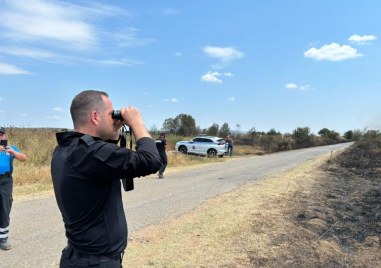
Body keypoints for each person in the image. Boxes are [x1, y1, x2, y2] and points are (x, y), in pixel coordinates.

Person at [51, 90, 162, 267]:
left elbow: (103, 160)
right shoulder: (90, 153)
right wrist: (136, 123)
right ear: (95, 117)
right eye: (111, 114)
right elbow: (151, 161)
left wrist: (114, 131)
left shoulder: (67, 148)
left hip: (77, 257)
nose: (114, 118)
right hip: (96, 263)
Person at [0, 127, 27, 251]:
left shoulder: (10, 148)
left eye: (1, 135)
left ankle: (3, 238)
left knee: (5, 207)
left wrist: (13, 152)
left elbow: (23, 158)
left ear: (4, 136)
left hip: (5, 181)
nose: (0, 137)